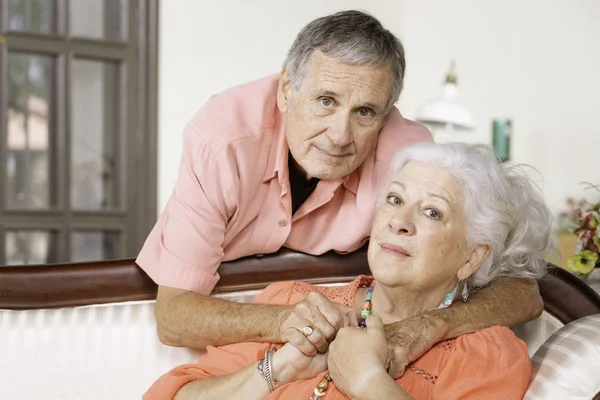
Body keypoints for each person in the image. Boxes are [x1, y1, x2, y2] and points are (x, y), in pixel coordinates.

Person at [137, 10, 544, 375]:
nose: (339, 135)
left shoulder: (407, 157)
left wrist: (427, 327)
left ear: (385, 116)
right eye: (326, 101)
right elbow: (173, 315)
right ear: (285, 91)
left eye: (365, 112)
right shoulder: (220, 138)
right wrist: (284, 321)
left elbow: (522, 290)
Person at [144, 142, 557, 399]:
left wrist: (370, 384)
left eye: (432, 211)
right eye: (394, 200)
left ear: (472, 256)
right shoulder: (296, 306)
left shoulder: (486, 355)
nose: (400, 221)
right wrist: (277, 371)